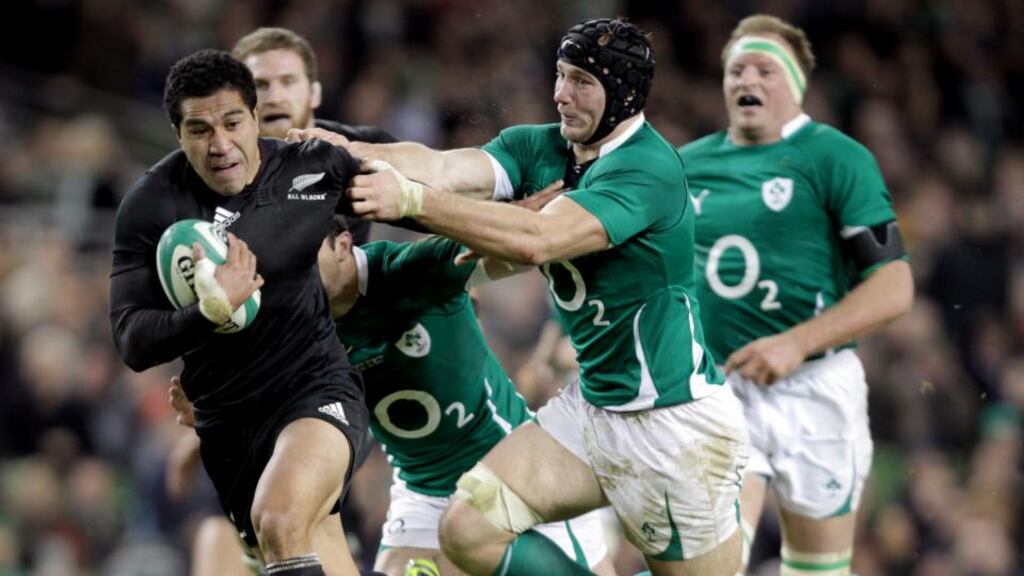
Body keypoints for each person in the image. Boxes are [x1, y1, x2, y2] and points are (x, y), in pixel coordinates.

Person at [296, 17, 749, 576]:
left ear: (625, 95)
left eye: (582, 81)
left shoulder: (647, 169)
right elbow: (442, 167)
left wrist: (411, 201)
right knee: (466, 528)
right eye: (560, 75)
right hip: (593, 413)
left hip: (672, 423)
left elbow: (539, 239)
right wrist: (350, 151)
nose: (561, 94)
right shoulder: (539, 146)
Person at [171, 215, 616, 576]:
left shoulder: (407, 272)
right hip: (423, 492)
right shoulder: (295, 332)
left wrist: (546, 217)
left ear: (343, 245)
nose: (294, 274)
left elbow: (516, 247)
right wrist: (213, 417)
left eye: (305, 256)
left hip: (510, 470)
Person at [110, 49, 369, 576]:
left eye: (232, 123)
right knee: (306, 549)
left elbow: (412, 195)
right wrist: (209, 309)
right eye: (199, 130)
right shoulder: (151, 205)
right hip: (227, 427)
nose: (220, 144)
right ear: (178, 133)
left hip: (316, 389)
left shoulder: (309, 166)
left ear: (254, 117)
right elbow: (132, 340)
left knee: (280, 519)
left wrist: (493, 219)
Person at [677, 14, 914, 576]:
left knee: (818, 568)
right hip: (719, 387)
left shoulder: (837, 157)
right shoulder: (684, 165)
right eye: (736, 70)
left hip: (817, 386)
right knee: (711, 566)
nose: (747, 80)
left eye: (765, 70)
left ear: (796, 85)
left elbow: (894, 284)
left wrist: (795, 343)